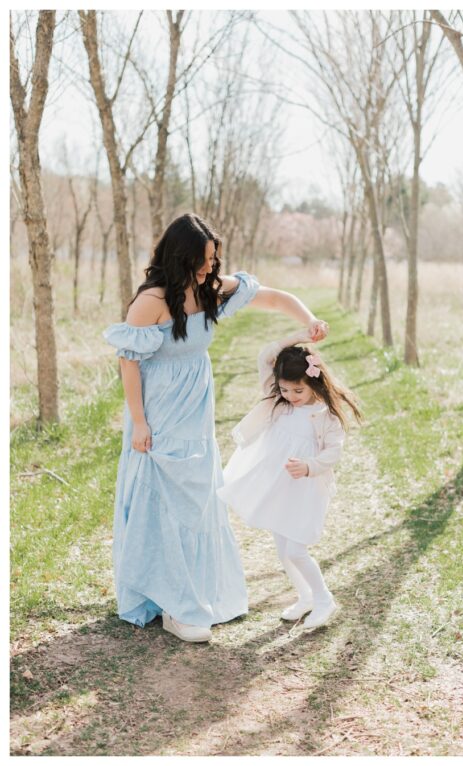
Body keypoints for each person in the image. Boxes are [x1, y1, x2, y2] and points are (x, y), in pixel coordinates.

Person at [103, 213, 328, 643]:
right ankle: (172, 604)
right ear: (181, 256)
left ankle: (194, 590)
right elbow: (127, 362)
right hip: (160, 411)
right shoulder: (151, 301)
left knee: (196, 498)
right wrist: (139, 421)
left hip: (196, 410)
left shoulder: (208, 290)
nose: (210, 268)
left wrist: (310, 318)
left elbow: (276, 298)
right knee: (166, 497)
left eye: (213, 259)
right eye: (203, 260)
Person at [218, 329, 362, 630]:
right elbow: (264, 356)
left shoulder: (325, 415)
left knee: (296, 549)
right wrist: (297, 338)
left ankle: (324, 599)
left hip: (307, 487)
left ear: (313, 381)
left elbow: (333, 452)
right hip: (279, 486)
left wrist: (309, 465)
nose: (291, 397)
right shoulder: (277, 401)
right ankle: (305, 596)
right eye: (286, 390)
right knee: (283, 550)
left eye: (298, 391)